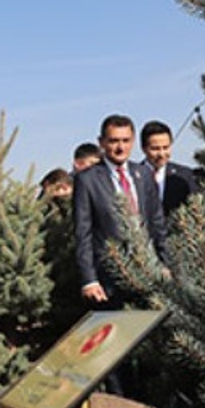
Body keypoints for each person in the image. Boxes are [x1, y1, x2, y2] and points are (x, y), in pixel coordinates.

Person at [73, 115, 167, 311]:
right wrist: (89, 279)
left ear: (133, 141)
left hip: (148, 273)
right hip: (109, 279)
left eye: (125, 141)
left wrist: (166, 264)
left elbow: (157, 223)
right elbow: (83, 233)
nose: (120, 147)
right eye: (113, 141)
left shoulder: (144, 175)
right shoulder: (87, 180)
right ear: (101, 142)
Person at [140, 120, 198, 216]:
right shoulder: (133, 175)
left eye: (165, 147)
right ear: (144, 148)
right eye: (155, 149)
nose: (161, 154)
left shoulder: (184, 175)